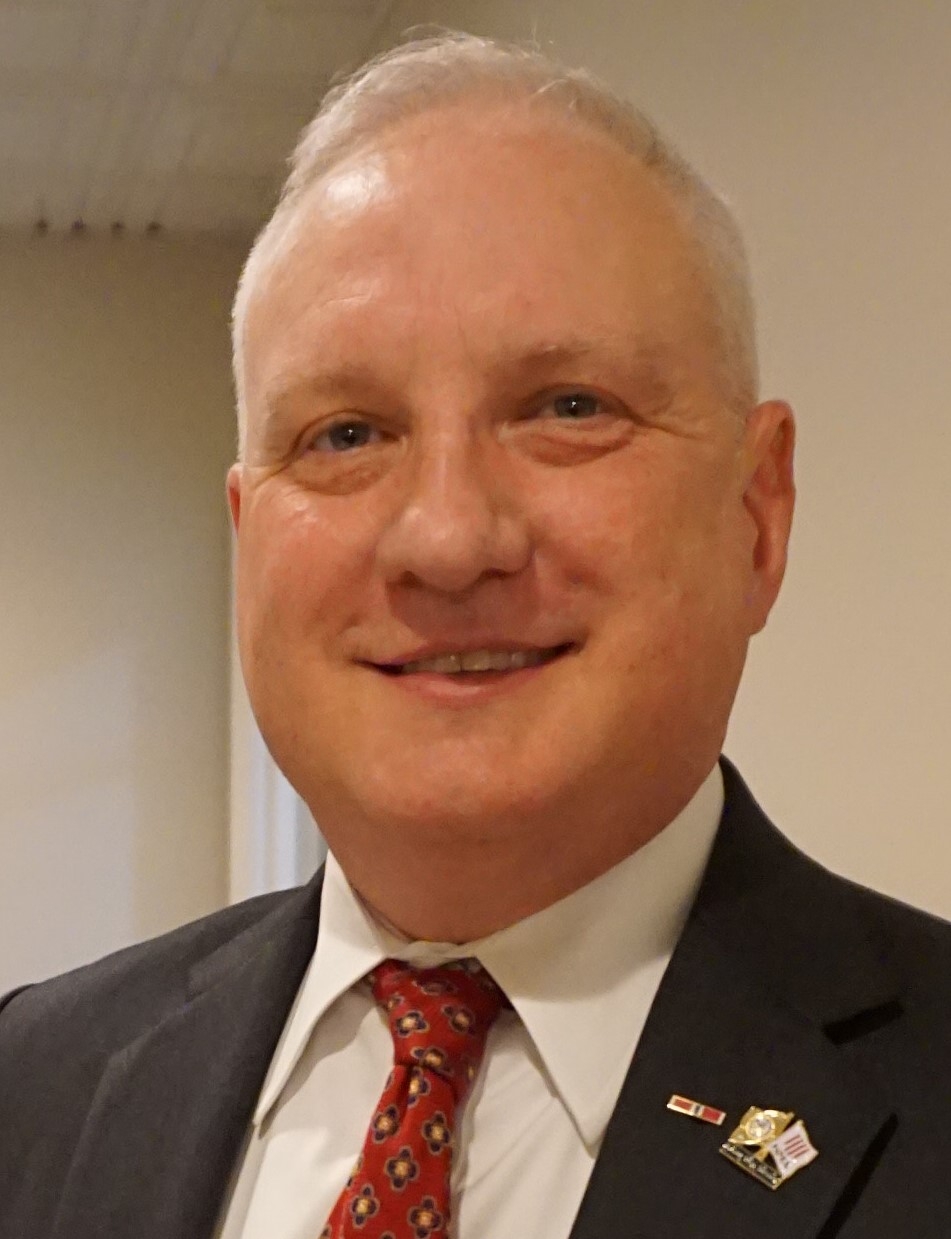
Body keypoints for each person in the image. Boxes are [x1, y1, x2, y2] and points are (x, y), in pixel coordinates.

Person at [2, 31, 949, 1239]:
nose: (448, 540)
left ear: (758, 517)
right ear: (249, 536)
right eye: (345, 435)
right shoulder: (34, 1089)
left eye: (568, 409)